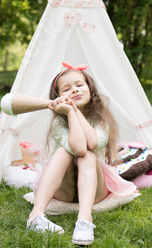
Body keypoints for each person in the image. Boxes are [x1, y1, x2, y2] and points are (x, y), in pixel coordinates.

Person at [26, 62, 137, 246]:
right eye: (66, 89)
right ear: (58, 97)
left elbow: (91, 144)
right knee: (64, 152)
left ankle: (85, 220)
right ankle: (36, 216)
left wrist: (75, 110)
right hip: (66, 190)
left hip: (95, 190)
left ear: (90, 88)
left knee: (88, 156)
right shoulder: (59, 123)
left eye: (79, 85)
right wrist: (70, 112)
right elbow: (77, 148)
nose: (75, 90)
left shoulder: (100, 119)